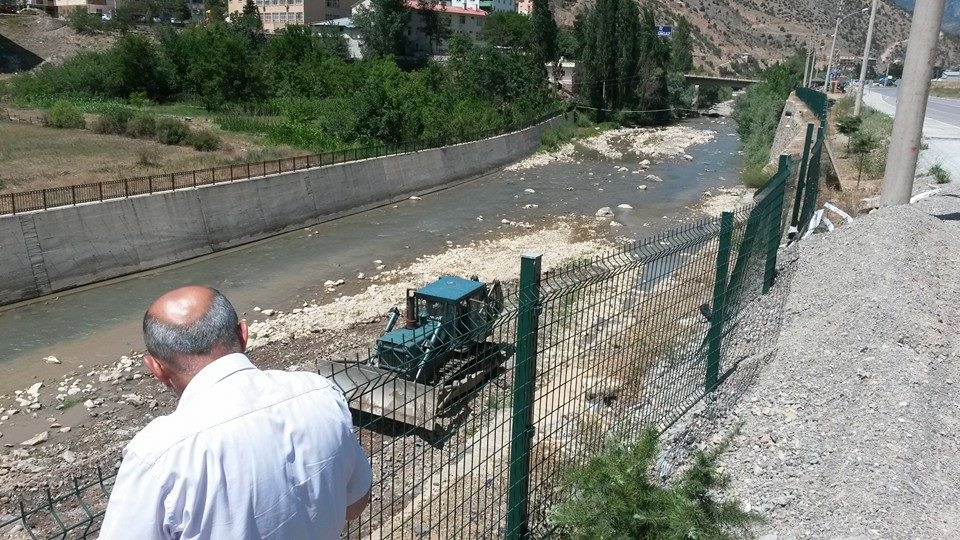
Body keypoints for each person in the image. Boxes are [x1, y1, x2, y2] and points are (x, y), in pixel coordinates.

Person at [99, 286, 371, 539]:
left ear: (155, 368)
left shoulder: (158, 452)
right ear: (243, 334)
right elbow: (355, 503)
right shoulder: (319, 393)